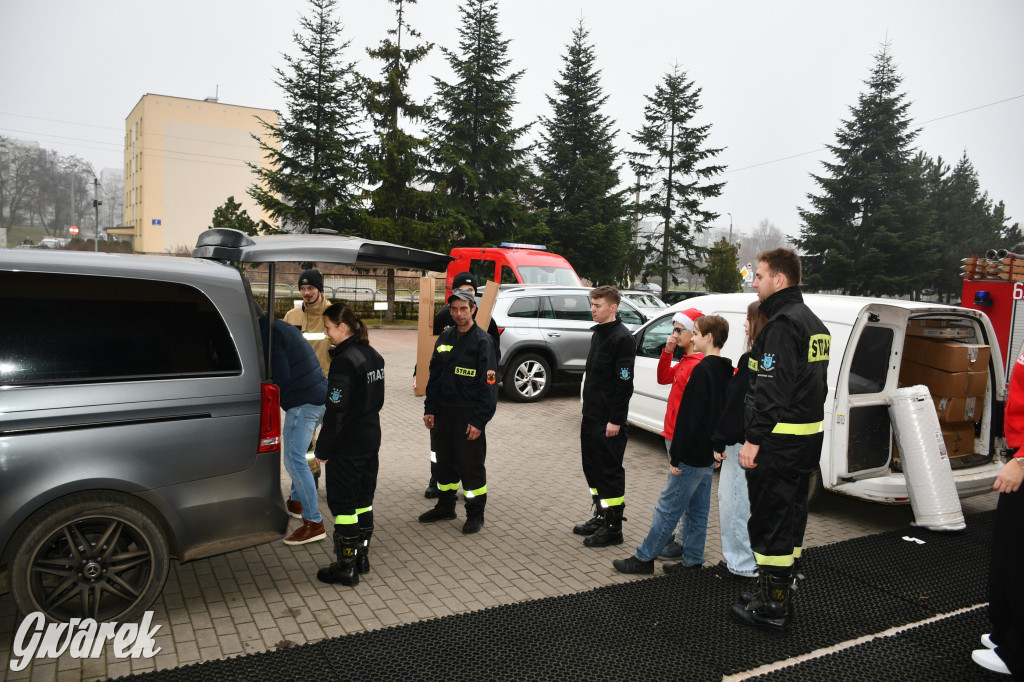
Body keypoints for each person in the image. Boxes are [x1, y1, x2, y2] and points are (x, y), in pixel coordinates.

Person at [731, 248, 830, 633]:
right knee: (790, 519)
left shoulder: (783, 325)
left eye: (759, 275)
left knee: (771, 520)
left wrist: (753, 440)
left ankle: (772, 606)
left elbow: (772, 391)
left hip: (778, 443)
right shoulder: (814, 323)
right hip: (804, 444)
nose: (754, 282)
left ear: (780, 280)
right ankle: (777, 589)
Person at [612, 316, 733, 574]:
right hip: (705, 454)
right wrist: (718, 447)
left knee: (668, 507)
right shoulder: (725, 368)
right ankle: (692, 562)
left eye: (696, 333)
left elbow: (690, 417)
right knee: (698, 510)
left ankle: (644, 558)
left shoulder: (701, 369)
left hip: (690, 453)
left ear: (709, 337)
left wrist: (676, 455)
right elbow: (722, 413)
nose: (692, 338)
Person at [314, 304, 385, 587]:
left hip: (349, 443)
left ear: (343, 328)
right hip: (370, 438)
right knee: (363, 501)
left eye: (329, 328)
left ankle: (345, 567)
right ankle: (361, 556)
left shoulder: (345, 361)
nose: (326, 333)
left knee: (343, 505)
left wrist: (323, 449)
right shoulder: (373, 355)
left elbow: (336, 411)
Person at [419, 289, 498, 534]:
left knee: (470, 466)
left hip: (468, 415)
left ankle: (475, 515)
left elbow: (489, 386)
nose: (458, 313)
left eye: (463, 308)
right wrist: (430, 408)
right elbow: (434, 377)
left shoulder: (482, 342)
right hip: (443, 413)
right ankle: (445, 506)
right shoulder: (444, 339)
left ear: (473, 309)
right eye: (454, 309)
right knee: (444, 463)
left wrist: (479, 421)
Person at [971, 351, 1024, 675]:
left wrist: (1022, 461)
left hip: (1022, 461)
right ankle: (1005, 631)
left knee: (1019, 560)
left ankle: (1016, 654)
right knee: (1006, 558)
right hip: (1016, 453)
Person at [258, 312, 329, 546]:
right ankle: (298, 503)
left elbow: (280, 377)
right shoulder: (278, 327)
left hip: (303, 403)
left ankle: (313, 523)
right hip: (316, 396)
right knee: (298, 457)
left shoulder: (267, 335)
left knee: (294, 459)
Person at [574, 285, 635, 548]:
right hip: (592, 416)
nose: (592, 310)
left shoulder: (622, 338)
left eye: (597, 306)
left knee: (609, 472)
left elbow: (624, 384)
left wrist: (616, 420)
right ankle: (600, 515)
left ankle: (613, 528)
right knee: (593, 468)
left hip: (608, 421)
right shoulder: (599, 334)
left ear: (613, 307)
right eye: (592, 304)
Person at [710, 301, 765, 580]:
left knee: (733, 503)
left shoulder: (750, 360)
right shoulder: (773, 358)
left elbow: (737, 407)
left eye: (748, 318)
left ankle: (741, 564)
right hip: (761, 443)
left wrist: (719, 442)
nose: (744, 324)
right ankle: (749, 558)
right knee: (750, 505)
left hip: (740, 445)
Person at [653, 308, 706, 560]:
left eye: (678, 329)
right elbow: (663, 378)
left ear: (693, 333)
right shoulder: (686, 361)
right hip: (672, 433)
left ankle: (680, 541)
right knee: (688, 493)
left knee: (681, 493)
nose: (673, 333)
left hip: (681, 437)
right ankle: (683, 541)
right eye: (673, 329)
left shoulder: (699, 365)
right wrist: (668, 351)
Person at [283, 268, 333, 498]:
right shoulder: (292, 317)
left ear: (319, 289)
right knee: (306, 442)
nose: (306, 293)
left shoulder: (334, 314)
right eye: (302, 288)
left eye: (310, 288)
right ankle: (311, 477)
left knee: (333, 435)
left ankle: (336, 481)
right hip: (303, 389)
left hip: (332, 387)